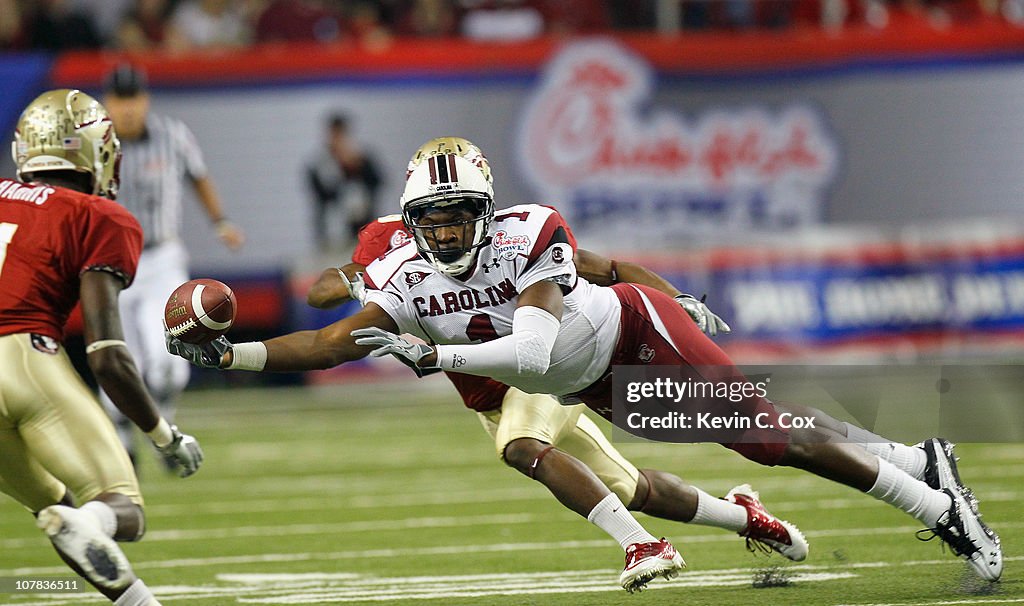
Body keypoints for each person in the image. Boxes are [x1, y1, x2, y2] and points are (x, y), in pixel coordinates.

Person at [168, 151, 1003, 585]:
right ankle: (919, 459)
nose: (453, 233)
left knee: (761, 438)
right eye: (437, 220)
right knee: (763, 431)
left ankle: (938, 505)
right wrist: (231, 356)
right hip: (588, 384)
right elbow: (326, 339)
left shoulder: (529, 232)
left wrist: (432, 353)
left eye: (463, 218)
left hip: (633, 337)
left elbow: (532, 348)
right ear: (411, 222)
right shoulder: (397, 269)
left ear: (486, 213)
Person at [304, 139, 805, 592]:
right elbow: (322, 289)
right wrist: (362, 282)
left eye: (457, 210)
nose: (446, 224)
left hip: (539, 366)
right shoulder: (389, 246)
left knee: (523, 447)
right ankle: (745, 517)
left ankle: (644, 545)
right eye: (434, 213)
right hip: (488, 396)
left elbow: (606, 268)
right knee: (629, 488)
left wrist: (676, 299)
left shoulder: (509, 239)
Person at [1, 89, 204, 605]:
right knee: (119, 508)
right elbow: (107, 355)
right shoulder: (98, 216)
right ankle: (94, 520)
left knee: (59, 509)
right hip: (24, 362)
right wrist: (164, 436)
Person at [100, 63, 244, 468]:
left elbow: (198, 176)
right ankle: (122, 435)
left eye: (134, 99)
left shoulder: (172, 135)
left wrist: (221, 221)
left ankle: (164, 422)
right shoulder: (95, 143)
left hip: (162, 257)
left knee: (169, 358)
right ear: (107, 102)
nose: (127, 109)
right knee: (119, 358)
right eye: (120, 100)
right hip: (110, 262)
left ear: (145, 100)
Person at [306, 112, 384, 252]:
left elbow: (377, 182)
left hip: (361, 230)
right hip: (332, 234)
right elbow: (321, 195)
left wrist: (357, 168)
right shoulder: (321, 163)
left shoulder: (362, 159)